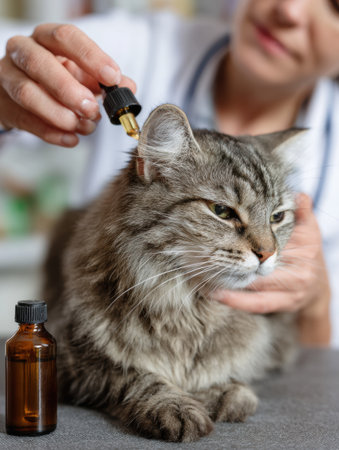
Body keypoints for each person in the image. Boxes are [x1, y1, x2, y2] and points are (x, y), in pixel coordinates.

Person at [0, 0, 338, 347]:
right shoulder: (141, 47)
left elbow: (319, 381)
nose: (289, 10)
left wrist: (315, 302)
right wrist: (4, 97)